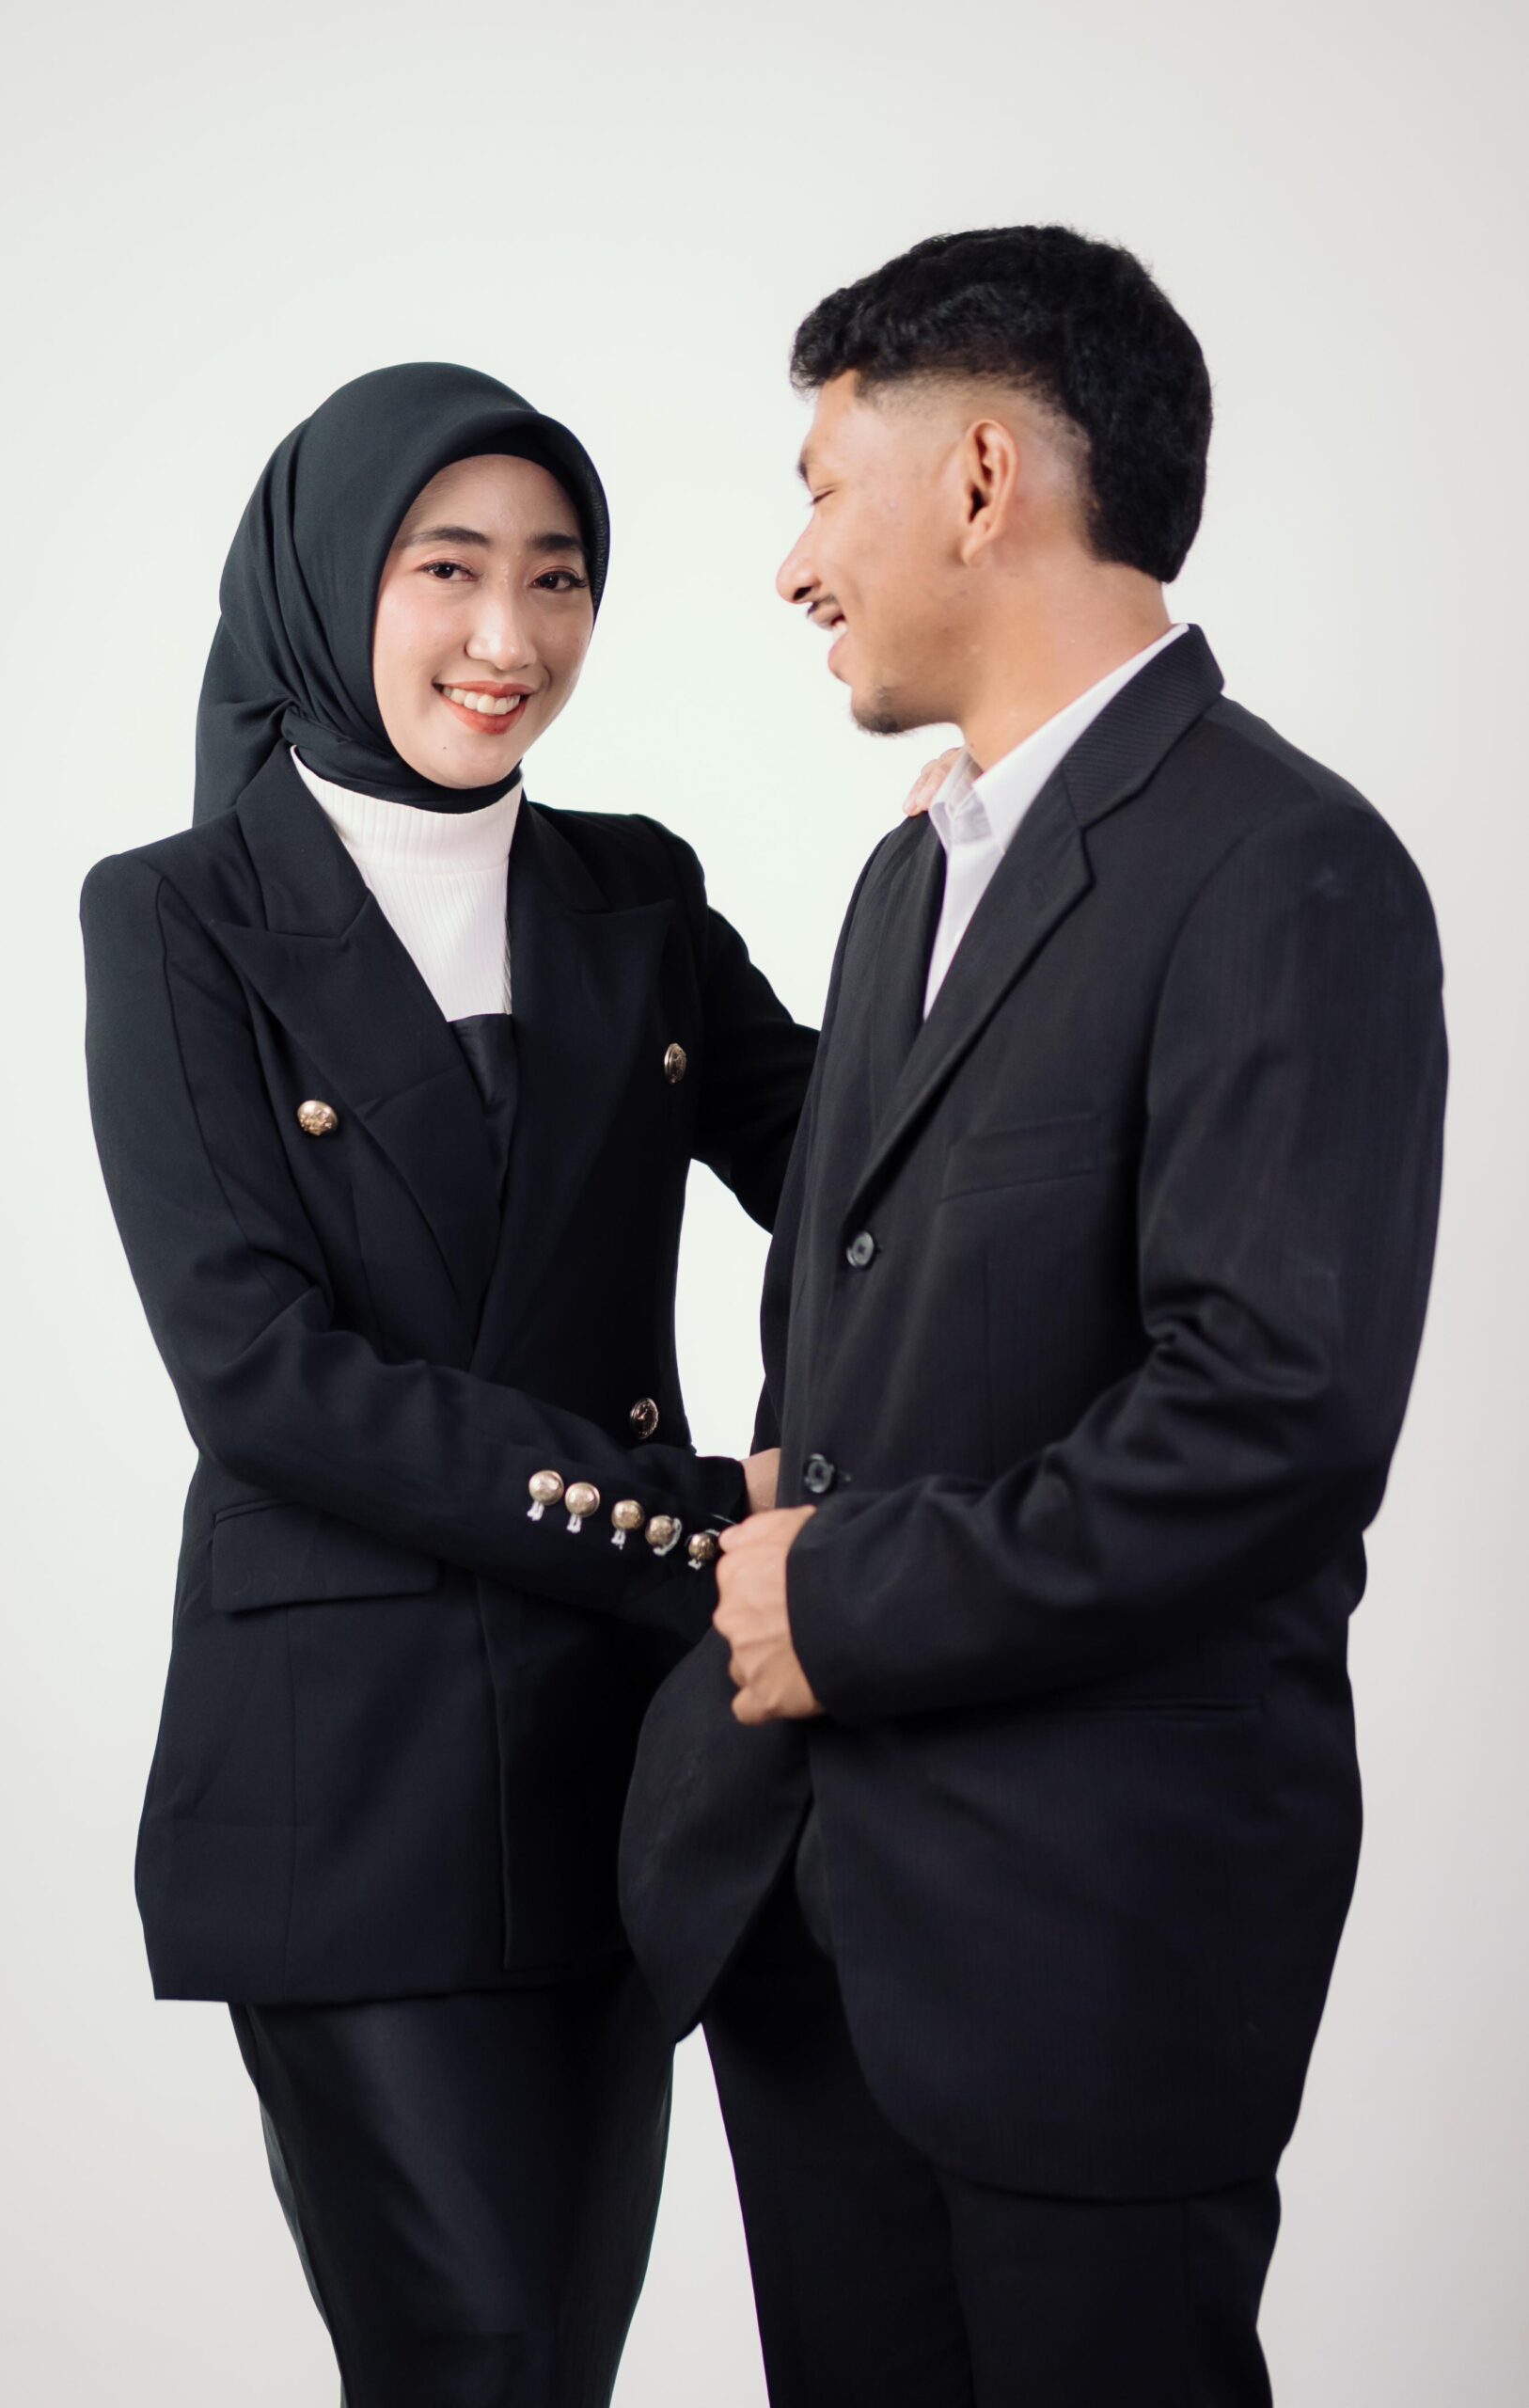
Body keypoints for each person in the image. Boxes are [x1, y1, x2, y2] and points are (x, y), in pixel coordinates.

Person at [621, 228, 1447, 2406]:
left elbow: (1267, 1417)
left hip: (1091, 1949)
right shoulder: (908, 874)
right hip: (809, 1914)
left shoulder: (1288, 868)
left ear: (980, 477)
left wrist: (842, 1592)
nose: (793, 565)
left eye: (822, 485)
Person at [79, 360, 815, 2408]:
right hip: (353, 1787)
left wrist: (976, 908)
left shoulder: (635, 892)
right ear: (331, 578)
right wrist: (703, 1522)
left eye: (558, 577)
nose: (510, 636)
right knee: (470, 2355)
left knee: (558, 2355)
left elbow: (861, 1177)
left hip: (622, 1771)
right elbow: (264, 1378)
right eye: (449, 568)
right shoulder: (177, 915)